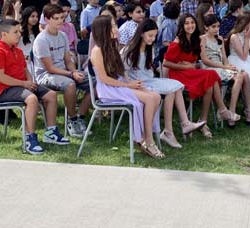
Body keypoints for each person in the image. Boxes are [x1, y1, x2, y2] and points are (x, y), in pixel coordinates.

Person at [0, 19, 69, 154]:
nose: (19, 34)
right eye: (15, 32)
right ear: (4, 34)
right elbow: (0, 77)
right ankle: (29, 137)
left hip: (22, 86)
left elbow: (25, 70)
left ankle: (51, 132)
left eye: (19, 31)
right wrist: (23, 84)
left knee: (51, 95)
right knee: (32, 99)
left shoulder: (18, 51)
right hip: (5, 90)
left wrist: (30, 82)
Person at [122, 19, 206, 147]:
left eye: (155, 36)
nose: (153, 39)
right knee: (172, 89)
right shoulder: (129, 50)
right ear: (141, 34)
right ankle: (171, 130)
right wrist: (130, 84)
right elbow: (123, 72)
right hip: (139, 83)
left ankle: (178, 127)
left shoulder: (149, 48)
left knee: (175, 86)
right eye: (150, 35)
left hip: (150, 79)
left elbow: (148, 68)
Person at [90, 15, 164, 158]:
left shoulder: (112, 46)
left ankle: (145, 136)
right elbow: (105, 79)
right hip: (108, 89)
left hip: (119, 84)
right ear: (104, 29)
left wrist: (131, 83)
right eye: (112, 26)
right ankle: (148, 140)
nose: (116, 28)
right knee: (149, 99)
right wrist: (127, 85)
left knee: (155, 96)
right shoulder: (97, 50)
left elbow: (121, 71)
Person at [163, 14, 237, 138]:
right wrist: (186, 66)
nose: (190, 25)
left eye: (192, 22)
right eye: (186, 23)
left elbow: (194, 63)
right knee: (211, 74)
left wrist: (192, 65)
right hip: (178, 75)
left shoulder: (194, 40)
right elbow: (166, 63)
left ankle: (203, 122)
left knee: (210, 83)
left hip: (190, 72)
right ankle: (222, 110)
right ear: (182, 25)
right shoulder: (177, 42)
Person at [33, 4, 91, 138]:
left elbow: (68, 61)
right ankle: (72, 120)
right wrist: (71, 74)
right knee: (70, 85)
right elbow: (50, 68)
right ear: (47, 20)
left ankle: (80, 116)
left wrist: (75, 72)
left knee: (97, 82)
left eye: (62, 18)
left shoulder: (63, 35)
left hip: (64, 72)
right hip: (46, 75)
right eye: (56, 18)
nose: (60, 21)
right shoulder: (41, 40)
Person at [200, 15, 247, 127]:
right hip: (210, 68)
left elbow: (224, 57)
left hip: (221, 66)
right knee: (237, 75)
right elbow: (205, 60)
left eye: (218, 26)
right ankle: (224, 110)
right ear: (206, 27)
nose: (216, 29)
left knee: (241, 75)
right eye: (213, 26)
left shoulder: (220, 39)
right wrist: (224, 68)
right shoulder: (202, 39)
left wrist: (228, 66)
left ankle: (231, 109)